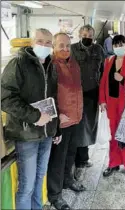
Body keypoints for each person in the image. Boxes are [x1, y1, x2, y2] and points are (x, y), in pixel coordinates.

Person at [1, 28, 60, 210]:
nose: (44, 45)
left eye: (48, 42)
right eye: (40, 41)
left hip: (46, 134)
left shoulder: (51, 65)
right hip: (26, 135)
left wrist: (55, 128)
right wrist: (34, 116)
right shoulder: (18, 63)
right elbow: (5, 98)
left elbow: (53, 99)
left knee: (39, 179)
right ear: (32, 42)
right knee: (26, 186)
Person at [47, 33, 85, 210]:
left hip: (76, 118)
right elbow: (48, 96)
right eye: (61, 45)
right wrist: (56, 117)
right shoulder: (52, 66)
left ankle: (67, 180)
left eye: (68, 45)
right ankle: (55, 195)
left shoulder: (73, 63)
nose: (65, 49)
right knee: (58, 158)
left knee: (71, 154)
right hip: (61, 121)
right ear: (53, 47)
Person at [70, 24, 105, 181]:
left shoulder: (99, 50)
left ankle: (83, 157)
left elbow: (103, 72)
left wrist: (103, 97)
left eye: (90, 34)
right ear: (79, 34)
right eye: (84, 34)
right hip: (76, 94)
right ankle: (79, 162)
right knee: (79, 127)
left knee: (90, 126)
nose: (87, 36)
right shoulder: (71, 49)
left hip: (93, 93)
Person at [99, 34, 125, 178]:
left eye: (121, 44)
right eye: (116, 45)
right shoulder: (109, 60)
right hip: (111, 103)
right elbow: (103, 82)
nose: (118, 48)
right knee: (113, 135)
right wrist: (102, 100)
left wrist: (123, 80)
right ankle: (113, 163)